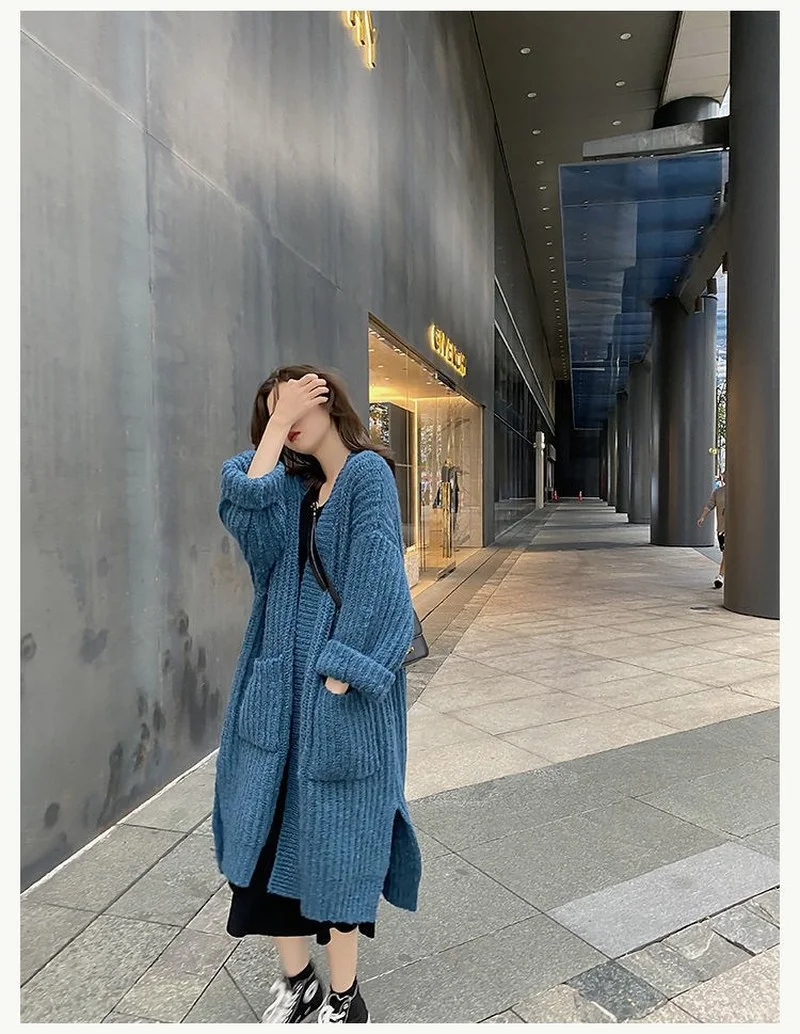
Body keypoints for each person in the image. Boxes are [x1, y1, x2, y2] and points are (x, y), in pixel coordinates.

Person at [213, 366, 422, 1024]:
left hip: (338, 701)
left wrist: (343, 669)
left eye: (298, 404)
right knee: (266, 847)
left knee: (337, 853)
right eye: (274, 412)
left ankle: (344, 998)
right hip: (275, 700)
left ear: (328, 399)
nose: (289, 419)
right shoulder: (286, 491)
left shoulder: (365, 475)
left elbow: (380, 576)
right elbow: (246, 519)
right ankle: (299, 984)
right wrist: (277, 428)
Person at [698, 470, 726, 589]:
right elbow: (710, 505)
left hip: (736, 530)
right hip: (722, 529)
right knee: (726, 553)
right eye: (724, 475)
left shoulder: (740, 492)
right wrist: (702, 517)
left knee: (728, 553)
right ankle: (722, 575)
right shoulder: (718, 492)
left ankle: (721, 576)